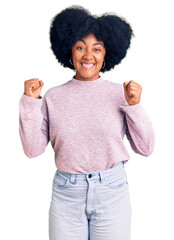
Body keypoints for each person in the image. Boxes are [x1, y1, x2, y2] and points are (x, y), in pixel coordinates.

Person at [19, 5, 155, 240]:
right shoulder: (52, 96)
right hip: (67, 195)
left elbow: (146, 148)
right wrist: (30, 103)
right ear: (69, 51)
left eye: (97, 49)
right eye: (80, 47)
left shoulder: (120, 93)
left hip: (112, 192)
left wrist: (135, 106)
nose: (88, 56)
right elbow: (32, 150)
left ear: (107, 53)